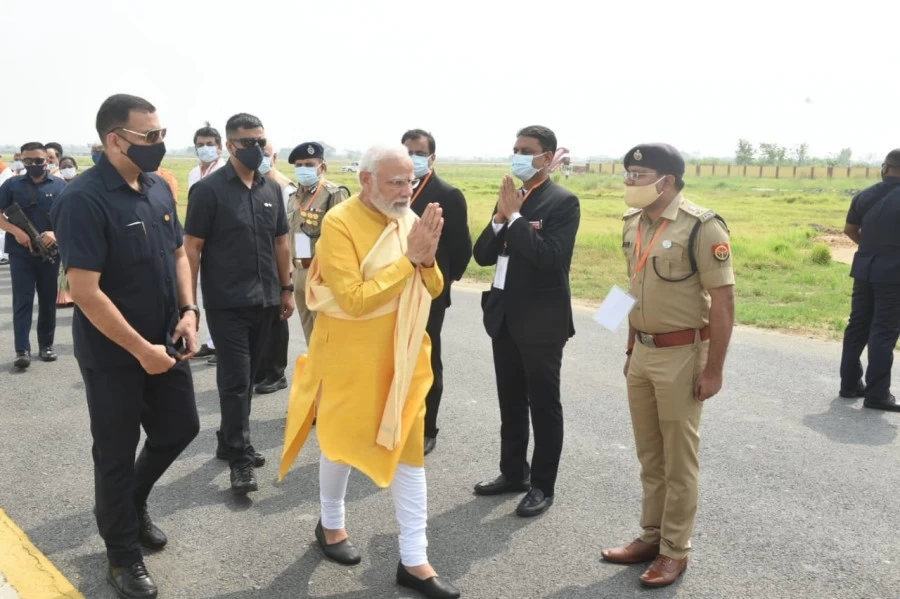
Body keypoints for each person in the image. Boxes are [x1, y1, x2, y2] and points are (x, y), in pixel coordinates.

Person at [278, 144, 460, 599]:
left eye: (410, 181)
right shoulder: (340, 223)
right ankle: (331, 525)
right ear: (366, 180)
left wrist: (426, 259)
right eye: (396, 182)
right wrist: (409, 260)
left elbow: (433, 287)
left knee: (409, 453)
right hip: (349, 357)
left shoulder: (409, 220)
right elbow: (355, 299)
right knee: (339, 444)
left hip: (404, 356)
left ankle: (415, 559)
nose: (406, 190)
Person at [50, 93, 200, 599]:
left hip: (165, 339)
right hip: (114, 354)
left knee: (180, 427)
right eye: (149, 136)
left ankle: (130, 504)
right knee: (115, 452)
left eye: (162, 133)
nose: (160, 143)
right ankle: (122, 555)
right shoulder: (83, 199)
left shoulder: (157, 188)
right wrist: (140, 350)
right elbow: (85, 291)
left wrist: (189, 311)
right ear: (115, 140)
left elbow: (178, 254)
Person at [600, 143, 735, 588]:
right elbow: (634, 288)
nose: (629, 181)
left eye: (639, 175)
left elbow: (723, 302)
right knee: (650, 454)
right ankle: (651, 536)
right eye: (627, 173)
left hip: (682, 354)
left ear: (668, 181)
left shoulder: (702, 226)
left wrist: (713, 369)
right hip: (642, 352)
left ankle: (675, 551)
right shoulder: (633, 222)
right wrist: (629, 348)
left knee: (679, 460)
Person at [471, 126, 580, 518]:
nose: (517, 156)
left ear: (547, 157)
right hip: (504, 316)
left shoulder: (563, 202)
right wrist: (500, 218)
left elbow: (550, 258)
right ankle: (513, 471)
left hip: (542, 322)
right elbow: (483, 255)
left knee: (544, 406)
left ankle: (542, 486)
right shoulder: (510, 198)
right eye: (515, 149)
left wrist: (515, 217)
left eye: (526, 150)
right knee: (511, 400)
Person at [184, 112, 294, 494]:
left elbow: (281, 242)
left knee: (248, 379)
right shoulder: (208, 191)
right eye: (248, 142)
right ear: (230, 145)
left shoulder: (270, 190)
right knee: (234, 380)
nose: (256, 148)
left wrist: (286, 289)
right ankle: (240, 460)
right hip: (227, 302)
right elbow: (192, 249)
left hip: (266, 301)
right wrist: (189, 305)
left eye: (260, 141)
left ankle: (228, 439)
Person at [401, 129, 472, 455]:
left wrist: (442, 284)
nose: (412, 158)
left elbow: (461, 249)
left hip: (430, 291)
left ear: (432, 158)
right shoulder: (394, 189)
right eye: (407, 152)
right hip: (394, 286)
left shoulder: (447, 194)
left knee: (427, 357)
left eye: (419, 153)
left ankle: (427, 427)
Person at [839, 149, 900, 411]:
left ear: (885, 168)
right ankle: (877, 395)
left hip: (864, 269)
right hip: (894, 273)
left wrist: (870, 248)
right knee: (883, 331)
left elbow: (850, 229)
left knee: (858, 326)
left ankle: (849, 384)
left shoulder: (865, 195)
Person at [0, 142, 65, 369]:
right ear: (21, 160)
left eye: (39, 160)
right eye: (28, 161)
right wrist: (16, 231)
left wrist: (55, 233)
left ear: (46, 160)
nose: (34, 164)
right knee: (23, 301)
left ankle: (46, 345)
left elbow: (71, 217)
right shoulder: (11, 185)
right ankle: (22, 350)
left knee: (48, 300)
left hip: (49, 252)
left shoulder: (60, 186)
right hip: (21, 253)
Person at [253, 140, 303, 395]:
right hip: (258, 262)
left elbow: (291, 233)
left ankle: (276, 373)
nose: (261, 158)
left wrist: (290, 271)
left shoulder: (283, 187)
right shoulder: (252, 183)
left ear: (274, 158)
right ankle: (261, 370)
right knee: (259, 320)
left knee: (276, 319)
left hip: (278, 263)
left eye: (266, 154)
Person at [187, 122, 226, 363]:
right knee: (202, 292)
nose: (205, 148)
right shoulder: (194, 173)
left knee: (219, 293)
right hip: (197, 238)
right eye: (200, 145)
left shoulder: (225, 172)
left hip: (219, 240)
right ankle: (212, 343)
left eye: (210, 144)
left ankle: (223, 345)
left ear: (220, 148)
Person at [55, 156, 78, 306]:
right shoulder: (57, 185)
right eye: (63, 167)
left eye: (69, 166)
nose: (67, 169)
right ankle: (65, 295)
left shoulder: (83, 183)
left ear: (76, 167)